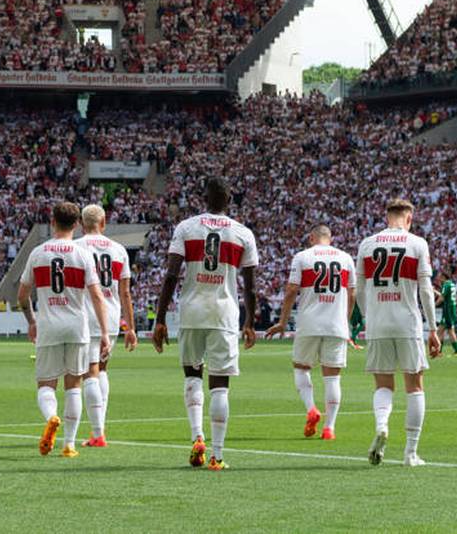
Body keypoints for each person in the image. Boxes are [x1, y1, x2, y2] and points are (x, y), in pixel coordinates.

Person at [153, 177, 258, 471]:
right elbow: (250, 286)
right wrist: (250, 321)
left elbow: (171, 275)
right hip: (224, 313)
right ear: (230, 199)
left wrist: (160, 319)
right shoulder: (242, 233)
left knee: (192, 375)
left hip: (192, 311)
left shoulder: (186, 228)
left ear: (204, 198)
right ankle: (217, 455)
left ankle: (197, 436)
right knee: (220, 384)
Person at [17, 201, 111, 459]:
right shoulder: (83, 254)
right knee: (74, 385)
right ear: (77, 224)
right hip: (77, 327)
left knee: (46, 385)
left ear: (52, 222)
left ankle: (51, 417)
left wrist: (32, 321)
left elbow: (22, 295)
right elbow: (97, 296)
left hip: (49, 326)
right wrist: (104, 332)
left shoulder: (38, 253)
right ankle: (69, 444)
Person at [354, 198, 440, 468]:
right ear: (409, 218)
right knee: (414, 386)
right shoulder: (417, 244)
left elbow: (359, 289)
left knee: (383, 384)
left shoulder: (367, 244)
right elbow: (425, 290)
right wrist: (433, 328)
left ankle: (382, 425)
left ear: (387, 217)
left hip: (378, 323)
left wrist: (368, 317)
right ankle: (410, 453)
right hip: (407, 323)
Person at [264, 225, 355, 440]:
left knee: (301, 369)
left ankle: (311, 409)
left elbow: (291, 291)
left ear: (311, 237)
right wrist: (346, 321)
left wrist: (283, 322)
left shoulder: (303, 257)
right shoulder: (345, 258)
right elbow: (352, 294)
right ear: (330, 238)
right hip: (336, 325)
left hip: (309, 323)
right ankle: (329, 428)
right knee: (332, 378)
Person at [75, 204, 138, 447]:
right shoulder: (119, 249)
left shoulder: (77, 247)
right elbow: (125, 292)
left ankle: (97, 433)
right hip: (110, 316)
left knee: (88, 373)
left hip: (84, 315)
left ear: (82, 224)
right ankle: (100, 427)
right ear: (103, 223)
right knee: (102, 369)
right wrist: (130, 327)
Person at [435, 271, 457, 357]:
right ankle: (440, 351)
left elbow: (442, 298)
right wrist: (435, 291)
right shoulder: (451, 284)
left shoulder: (446, 285)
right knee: (441, 331)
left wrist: (433, 305)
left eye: (440, 276)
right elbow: (446, 296)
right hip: (451, 310)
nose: (439, 278)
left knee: (447, 331)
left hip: (448, 311)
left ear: (443, 277)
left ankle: (455, 351)